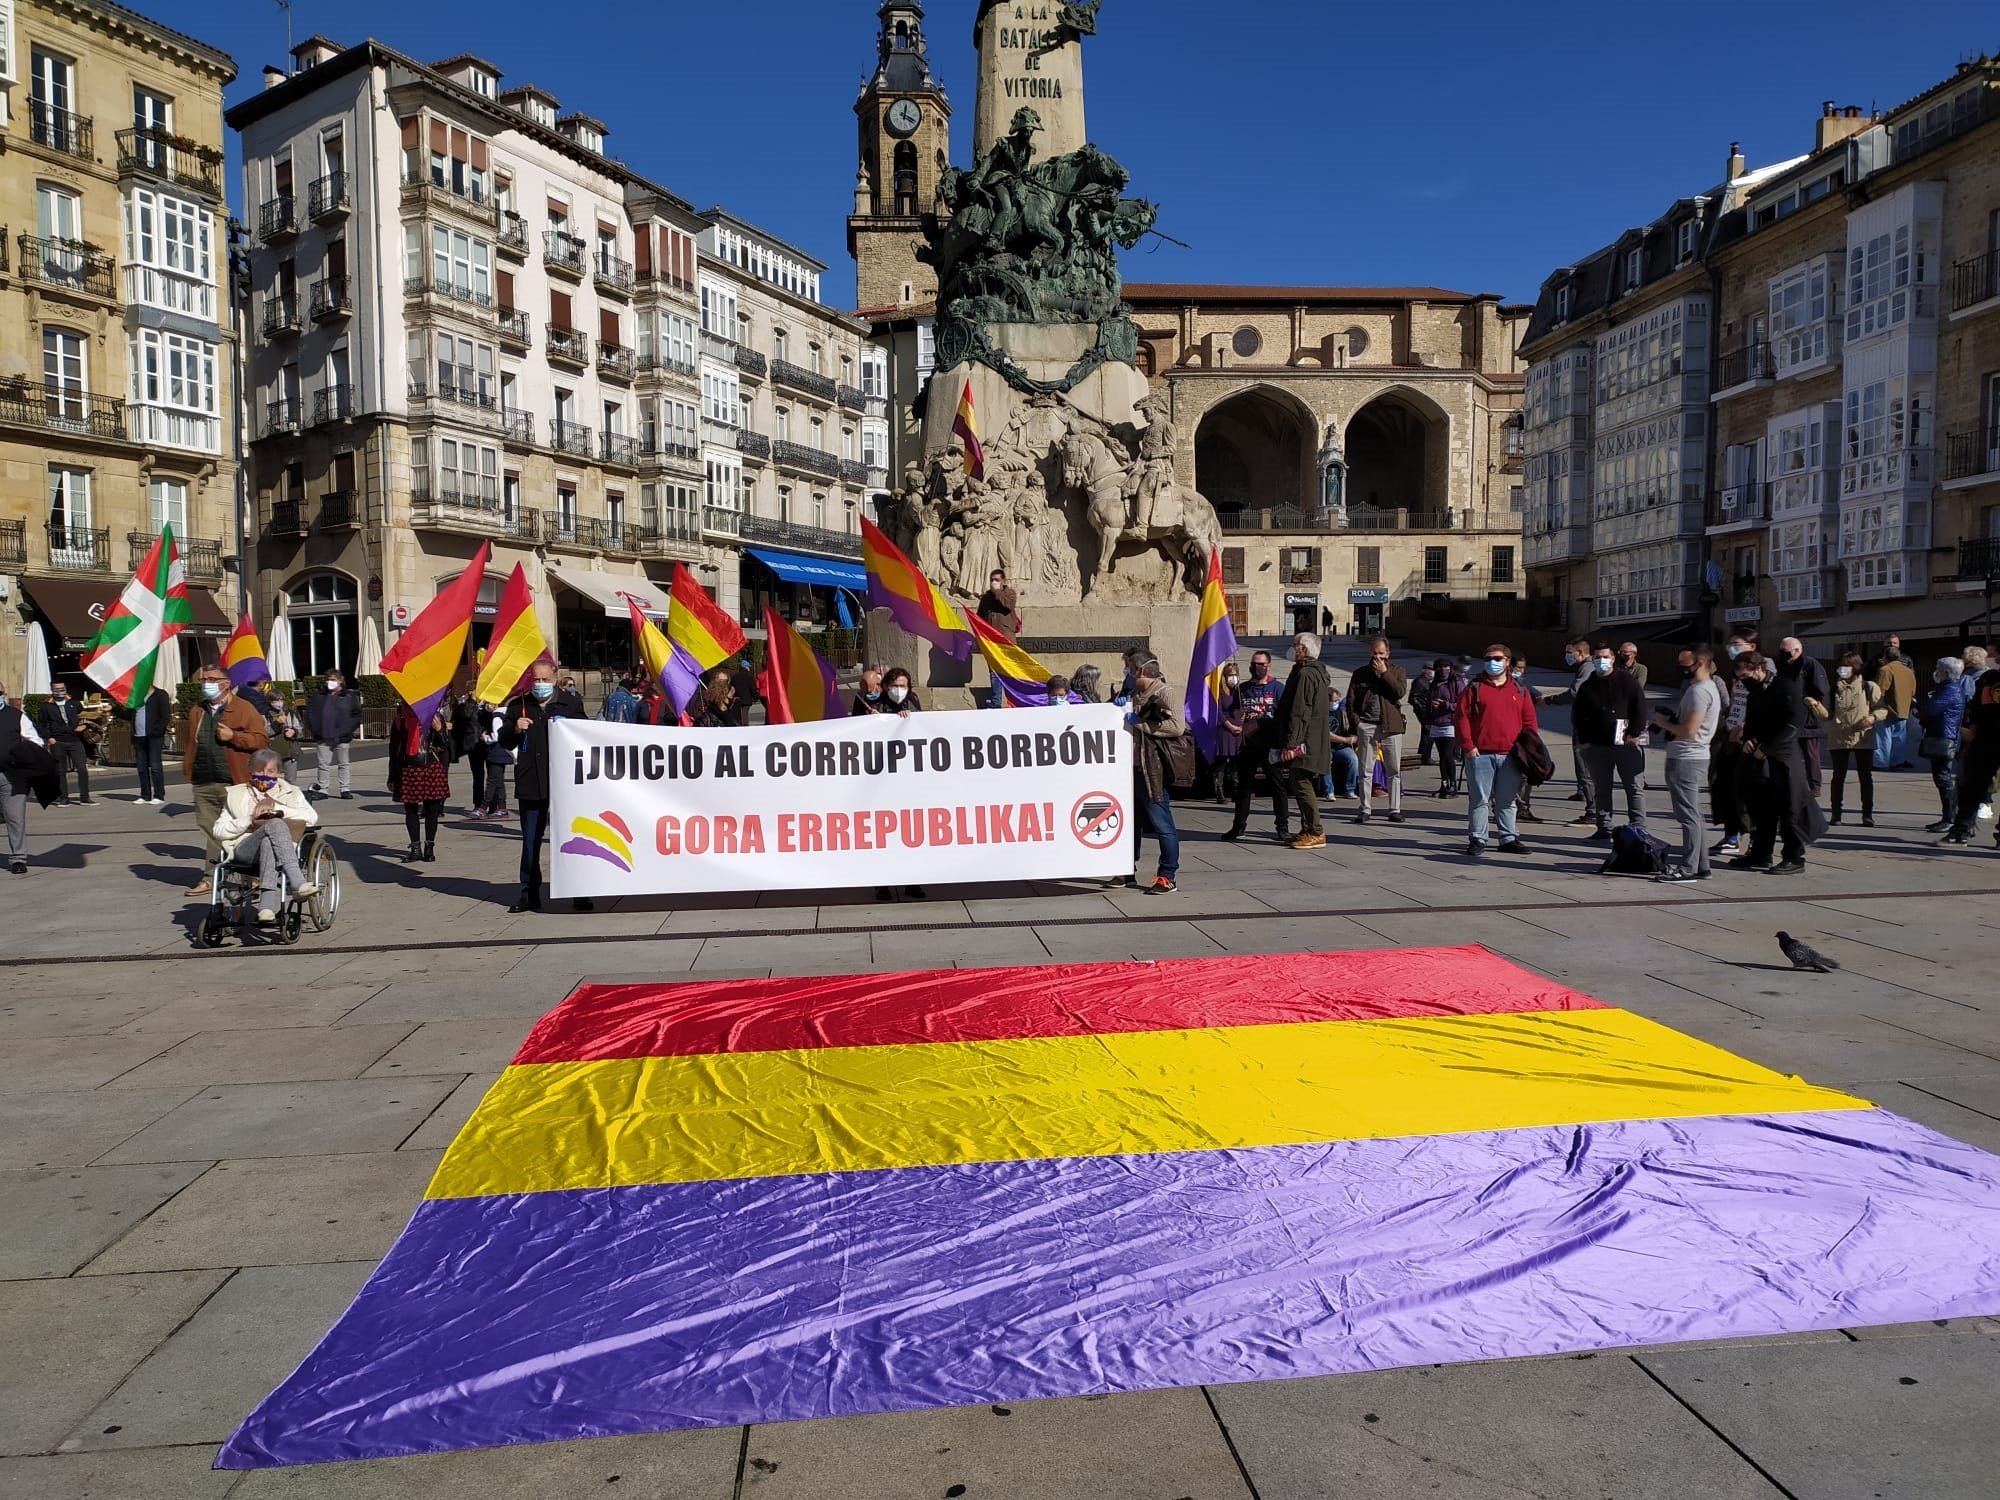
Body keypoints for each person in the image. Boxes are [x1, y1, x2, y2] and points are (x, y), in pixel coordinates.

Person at [502, 662, 591, 913]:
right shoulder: (518, 705)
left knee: (574, 837)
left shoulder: (570, 704)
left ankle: (579, 892)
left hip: (565, 782)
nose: (540, 684)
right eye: (536, 679)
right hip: (532, 780)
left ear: (555, 677)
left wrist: (572, 725)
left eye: (544, 679)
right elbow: (504, 741)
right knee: (530, 840)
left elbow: (587, 735)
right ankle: (529, 893)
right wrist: (515, 729)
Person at [182, 667, 271, 893]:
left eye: (212, 679)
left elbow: (261, 740)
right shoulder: (197, 710)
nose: (206, 683)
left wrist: (234, 737)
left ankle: (251, 875)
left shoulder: (243, 708)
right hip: (203, 780)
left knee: (240, 829)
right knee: (212, 831)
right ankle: (210, 877)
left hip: (234, 780)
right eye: (203, 679)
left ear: (226, 683)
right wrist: (189, 770)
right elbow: (192, 742)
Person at [211, 748, 319, 925]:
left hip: (278, 849)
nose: (264, 775)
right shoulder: (237, 794)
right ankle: (297, 882)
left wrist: (277, 809)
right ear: (251, 770)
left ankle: (266, 907)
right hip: (246, 849)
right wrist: (249, 819)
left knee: (270, 838)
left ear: (278, 772)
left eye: (270, 771)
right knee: (275, 824)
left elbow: (312, 817)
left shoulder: (291, 792)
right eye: (259, 771)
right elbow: (218, 831)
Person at [1454, 645, 1536, 858]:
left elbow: (1529, 721)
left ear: (1507, 661)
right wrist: (1468, 746)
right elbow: (1461, 717)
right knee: (1479, 799)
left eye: (1497, 658)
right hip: (1480, 754)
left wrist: (1528, 747)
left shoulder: (1519, 689)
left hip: (1511, 755)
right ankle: (1478, 838)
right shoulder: (1474, 688)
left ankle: (1508, 837)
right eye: (1488, 658)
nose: (1492, 662)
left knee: (1507, 799)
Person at [1735, 648, 1812, 874]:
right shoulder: (1755, 694)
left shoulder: (1785, 686)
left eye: (1745, 677)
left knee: (1789, 808)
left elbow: (1794, 723)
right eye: (1739, 679)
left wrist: (1768, 747)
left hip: (1784, 756)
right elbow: (1750, 724)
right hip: (1761, 757)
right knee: (1762, 808)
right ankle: (1761, 853)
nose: (1743, 682)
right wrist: (1748, 740)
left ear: (1759, 668)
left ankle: (1794, 857)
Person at [1651, 646, 1721, 881]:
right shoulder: (1705, 688)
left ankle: (1689, 868)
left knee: (1688, 816)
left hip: (1686, 757)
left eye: (1684, 663)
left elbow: (1689, 731)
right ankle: (1702, 865)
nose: (1680, 668)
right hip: (1694, 755)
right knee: (1693, 814)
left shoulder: (1699, 692)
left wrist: (1662, 722)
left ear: (1699, 663)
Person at [1574, 642, 1649, 842]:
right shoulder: (1589, 685)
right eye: (1597, 657)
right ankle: (1604, 827)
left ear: (1613, 658)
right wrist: (1584, 740)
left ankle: (1638, 827)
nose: (1601, 661)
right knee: (1602, 788)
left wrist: (1634, 733)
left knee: (1634, 787)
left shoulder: (1627, 681)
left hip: (1626, 744)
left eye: (1605, 657)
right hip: (1598, 745)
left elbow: (1640, 708)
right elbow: (1578, 714)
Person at [1127, 654, 1186, 891]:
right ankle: (1126, 870)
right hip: (1132, 770)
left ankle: (1167, 875)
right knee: (1130, 825)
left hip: (1153, 770)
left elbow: (1177, 727)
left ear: (1140, 670)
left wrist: (1138, 722)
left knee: (1162, 824)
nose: (1127, 673)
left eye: (1129, 669)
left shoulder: (1165, 692)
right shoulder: (1133, 694)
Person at [1270, 633, 1332, 850]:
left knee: (1301, 782)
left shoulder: (1306, 674)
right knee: (1299, 780)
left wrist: (1291, 744)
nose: (1291, 648)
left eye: (1295, 645)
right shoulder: (1310, 671)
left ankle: (1316, 830)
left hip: (1307, 741)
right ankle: (1307, 827)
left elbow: (1300, 711)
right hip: (1312, 739)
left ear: (1303, 649)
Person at [1222, 650, 1291, 841]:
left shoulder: (1277, 688)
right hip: (1248, 745)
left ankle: (1282, 827)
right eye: (1254, 663)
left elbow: (1285, 716)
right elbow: (1232, 711)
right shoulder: (1243, 689)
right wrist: (1236, 719)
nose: (1257, 667)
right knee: (1243, 787)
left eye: (1261, 664)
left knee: (1277, 786)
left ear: (1268, 665)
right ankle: (1238, 827)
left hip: (1270, 744)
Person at [1346, 637, 1409, 825]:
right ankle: (1365, 808)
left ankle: (1394, 809)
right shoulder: (1360, 674)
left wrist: (1384, 673)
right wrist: (1357, 724)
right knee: (1365, 769)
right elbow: (1350, 702)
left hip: (1391, 727)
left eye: (1381, 654)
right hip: (1367, 725)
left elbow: (1399, 692)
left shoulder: (1397, 671)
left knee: (1394, 769)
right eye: (1375, 654)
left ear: (1388, 654)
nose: (1378, 658)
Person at [1942, 660, 2000, 848]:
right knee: (1973, 786)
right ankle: (1961, 830)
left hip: (1987, 739)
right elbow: (1976, 708)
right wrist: (1971, 728)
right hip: (1986, 740)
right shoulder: (1989, 679)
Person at [1827, 651, 1885, 827]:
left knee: (1865, 777)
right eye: (1840, 666)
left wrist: (1872, 718)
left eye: (1846, 666)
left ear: (1855, 667)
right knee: (1838, 776)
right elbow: (1827, 713)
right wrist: (1814, 706)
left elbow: (1882, 708)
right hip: (1839, 736)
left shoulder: (1869, 687)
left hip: (1862, 737)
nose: (1842, 670)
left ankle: (1867, 814)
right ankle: (1836, 814)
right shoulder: (1834, 688)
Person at [390, 701, 452, 863]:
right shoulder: (400, 719)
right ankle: (415, 847)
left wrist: (440, 730)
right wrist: (392, 775)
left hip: (430, 765)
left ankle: (429, 846)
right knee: (410, 809)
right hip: (408, 767)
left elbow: (445, 745)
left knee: (432, 809)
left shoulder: (433, 716)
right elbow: (394, 748)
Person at [1545, 637, 1597, 818]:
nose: (1567, 656)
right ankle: (1594, 808)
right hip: (1585, 726)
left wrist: (1549, 700)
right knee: (1586, 769)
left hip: (1586, 729)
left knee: (1585, 770)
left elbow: (1574, 693)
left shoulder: (1587, 668)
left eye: (1570, 652)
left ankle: (1593, 811)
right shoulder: (1586, 668)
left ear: (1580, 652)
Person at [1917, 658, 1965, 834]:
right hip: (1940, 735)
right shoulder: (1947, 688)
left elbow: (1931, 710)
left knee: (1944, 779)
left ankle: (1950, 818)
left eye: (1938, 669)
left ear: (1945, 672)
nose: (1936, 672)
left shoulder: (1950, 689)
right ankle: (1949, 817)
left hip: (1944, 737)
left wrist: (1920, 712)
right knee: (1941, 778)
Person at [304, 671, 361, 799]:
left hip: (343, 736)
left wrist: (349, 729)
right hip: (323, 735)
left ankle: (345, 788)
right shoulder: (318, 696)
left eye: (333, 679)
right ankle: (323, 789)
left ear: (340, 681)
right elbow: (310, 714)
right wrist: (315, 730)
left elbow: (356, 715)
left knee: (343, 763)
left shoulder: (349, 696)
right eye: (329, 679)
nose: (330, 682)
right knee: (323, 764)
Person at [35, 682, 91, 805]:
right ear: (52, 690)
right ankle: (63, 798)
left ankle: (85, 797)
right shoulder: (46, 706)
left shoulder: (74, 703)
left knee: (82, 769)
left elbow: (86, 717)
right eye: (57, 689)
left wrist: (84, 726)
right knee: (60, 771)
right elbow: (41, 724)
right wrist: (48, 737)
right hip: (57, 740)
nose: (60, 691)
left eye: (62, 688)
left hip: (75, 740)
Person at [976, 569, 1021, 710]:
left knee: (1009, 670)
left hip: (1006, 639)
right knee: (994, 672)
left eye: (997, 580)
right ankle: (996, 702)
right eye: (992, 580)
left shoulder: (1010, 593)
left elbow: (1008, 605)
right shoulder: (986, 597)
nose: (994, 582)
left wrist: (997, 592)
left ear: (1003, 581)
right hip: (991, 640)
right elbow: (980, 617)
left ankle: (1014, 701)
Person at [126, 681, 173, 806]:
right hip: (139, 736)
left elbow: (165, 716)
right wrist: (113, 709)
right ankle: (145, 795)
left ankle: (159, 795)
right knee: (141, 768)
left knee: (155, 766)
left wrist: (158, 731)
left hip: (154, 737)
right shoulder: (136, 696)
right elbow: (128, 714)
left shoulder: (160, 695)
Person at [1874, 642, 1918, 772]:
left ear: (1885, 657)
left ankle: (1881, 762)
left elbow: (1879, 690)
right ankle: (1897, 761)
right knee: (1899, 737)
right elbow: (1913, 691)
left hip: (1887, 708)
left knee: (1883, 736)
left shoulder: (1885, 670)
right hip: (1904, 708)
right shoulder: (1909, 671)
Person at [1427, 658, 1465, 796]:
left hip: (1451, 724)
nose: (1444, 670)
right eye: (1441, 667)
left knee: (1449, 755)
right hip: (1437, 723)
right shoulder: (1434, 684)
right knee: (1442, 756)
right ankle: (1444, 784)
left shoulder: (1456, 683)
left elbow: (1463, 704)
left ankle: (1453, 786)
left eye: (1447, 666)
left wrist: (1445, 705)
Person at [451, 685, 488, 814]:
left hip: (488, 743)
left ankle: (494, 804)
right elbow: (466, 715)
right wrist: (471, 701)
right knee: (478, 776)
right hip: (473, 744)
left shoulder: (488, 703)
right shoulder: (467, 705)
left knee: (493, 776)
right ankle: (478, 803)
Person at [475, 701, 512, 820]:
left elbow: (496, 736)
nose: (487, 705)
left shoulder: (497, 716)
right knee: (499, 781)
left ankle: (482, 808)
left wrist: (485, 738)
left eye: (489, 703)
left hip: (496, 752)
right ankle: (502, 807)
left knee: (491, 781)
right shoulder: (506, 714)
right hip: (503, 752)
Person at [1409, 662, 1437, 766]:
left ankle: (1423, 755)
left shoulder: (1429, 681)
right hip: (1423, 711)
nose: (1433, 672)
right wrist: (1422, 708)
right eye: (1431, 669)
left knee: (1428, 733)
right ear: (1426, 670)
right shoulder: (1420, 681)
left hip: (1428, 710)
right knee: (1428, 733)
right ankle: (1425, 756)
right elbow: (1413, 698)